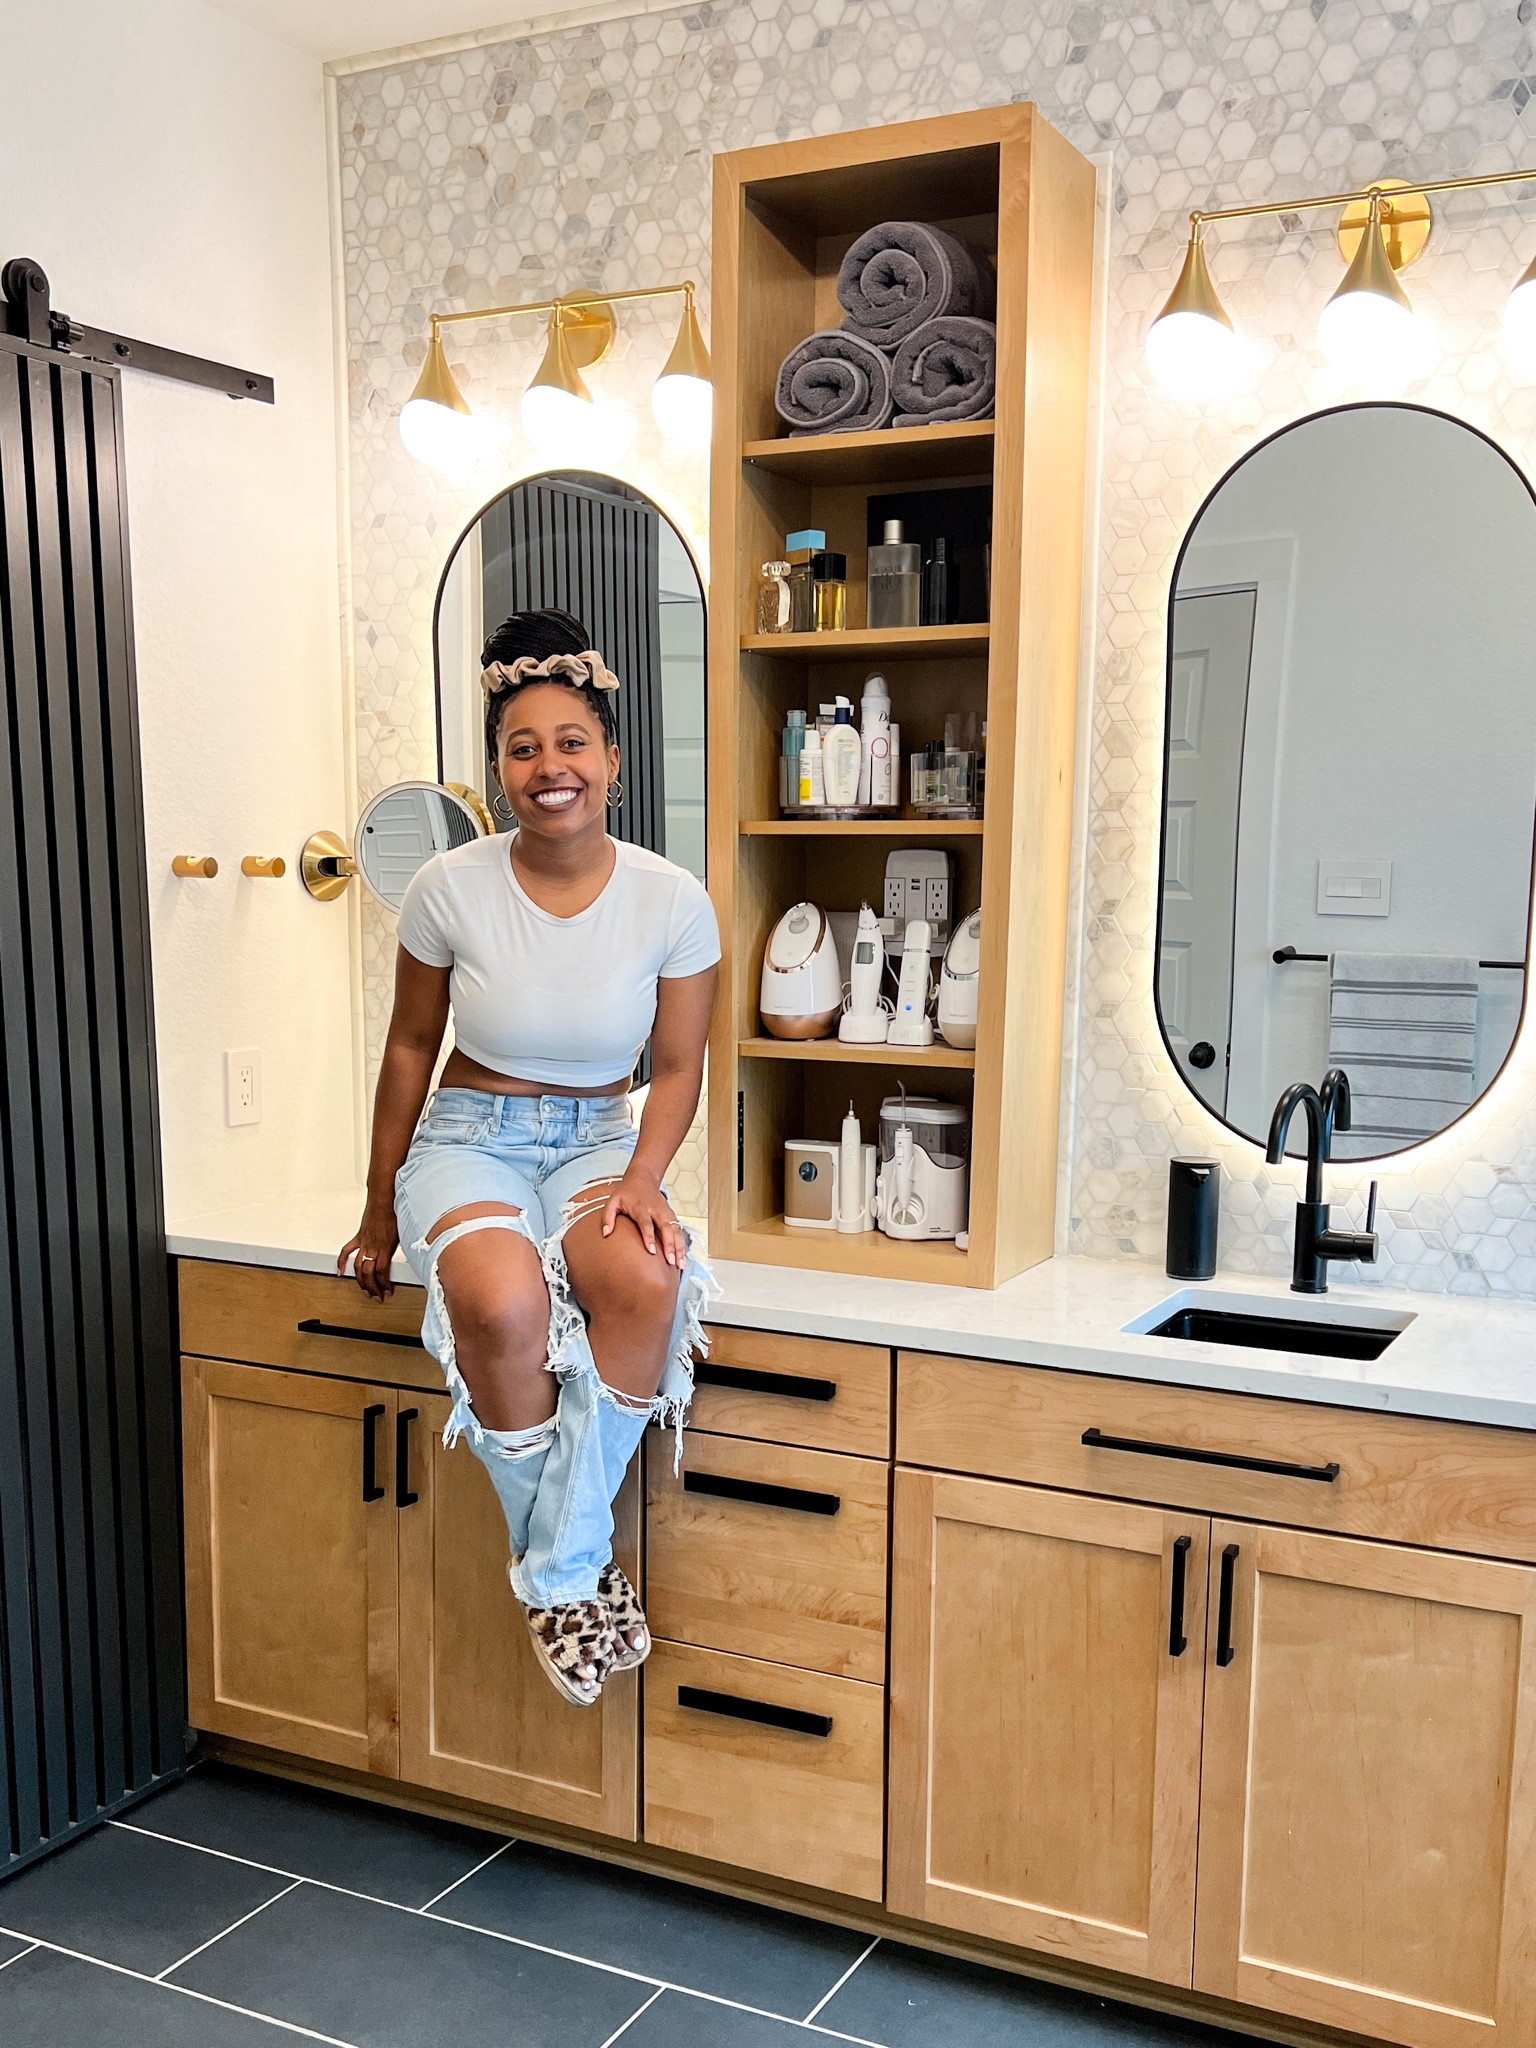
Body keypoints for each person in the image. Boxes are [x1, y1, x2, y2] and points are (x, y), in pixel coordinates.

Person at [339, 606, 719, 1707]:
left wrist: (644, 1179)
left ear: (610, 758)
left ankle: (554, 1567)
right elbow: (411, 1045)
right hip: (471, 1137)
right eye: (522, 746)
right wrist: (377, 1209)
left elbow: (681, 1066)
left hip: (603, 1135)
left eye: (570, 742)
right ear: (499, 768)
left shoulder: (671, 898)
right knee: (499, 1306)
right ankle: (576, 1574)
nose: (549, 766)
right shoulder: (447, 886)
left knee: (645, 1278)